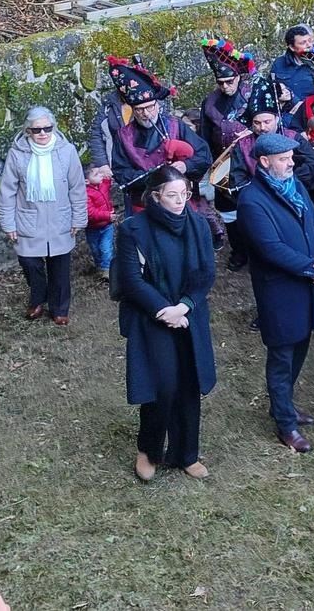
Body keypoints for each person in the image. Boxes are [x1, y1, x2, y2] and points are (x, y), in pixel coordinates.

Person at [116, 166, 216, 482]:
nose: (179, 201)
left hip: (189, 315)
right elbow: (131, 280)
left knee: (188, 383)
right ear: (156, 196)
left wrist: (184, 307)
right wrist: (165, 311)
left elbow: (206, 274)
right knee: (163, 385)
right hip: (154, 318)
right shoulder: (134, 230)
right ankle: (148, 450)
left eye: (183, 195)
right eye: (171, 196)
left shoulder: (198, 225)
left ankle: (186, 453)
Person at [237, 133, 314, 453]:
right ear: (264, 162)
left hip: (306, 284)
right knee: (282, 357)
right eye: (283, 158)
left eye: (291, 156)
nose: (292, 162)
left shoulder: (294, 184)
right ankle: (285, 424)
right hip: (280, 293)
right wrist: (311, 267)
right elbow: (269, 248)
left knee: (301, 347)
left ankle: (283, 406)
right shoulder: (251, 200)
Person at [0, 106, 87, 326]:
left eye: (47, 128)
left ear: (53, 127)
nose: (43, 133)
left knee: (60, 267)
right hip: (28, 219)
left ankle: (59, 308)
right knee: (29, 262)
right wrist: (8, 223)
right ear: (28, 131)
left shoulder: (66, 151)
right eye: (37, 130)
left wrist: (78, 219)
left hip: (60, 219)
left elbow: (77, 188)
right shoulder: (17, 153)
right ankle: (38, 297)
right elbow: (7, 191)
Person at [107, 57, 211, 215]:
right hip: (144, 206)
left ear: (157, 104)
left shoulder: (175, 125)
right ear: (133, 110)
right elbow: (121, 172)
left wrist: (185, 166)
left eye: (150, 107)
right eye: (140, 109)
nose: (146, 114)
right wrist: (151, 177)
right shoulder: (124, 136)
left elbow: (204, 155)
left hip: (180, 204)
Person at [199, 37, 257, 267]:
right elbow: (204, 134)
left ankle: (257, 250)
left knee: (253, 208)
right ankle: (239, 251)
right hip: (222, 163)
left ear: (239, 76)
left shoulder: (252, 95)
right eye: (220, 82)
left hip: (250, 161)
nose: (225, 86)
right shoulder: (210, 102)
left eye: (229, 81)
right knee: (228, 211)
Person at [221, 75, 314, 206]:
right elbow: (238, 179)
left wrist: (291, 182)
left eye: (267, 122)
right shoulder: (242, 146)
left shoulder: (292, 136)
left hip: (298, 194)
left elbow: (312, 162)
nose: (262, 127)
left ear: (277, 119)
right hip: (262, 201)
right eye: (257, 123)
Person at [270, 24, 314, 102]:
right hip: (287, 110)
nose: (309, 45)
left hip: (312, 110)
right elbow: (272, 88)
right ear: (292, 47)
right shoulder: (279, 63)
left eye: (310, 41)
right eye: (303, 43)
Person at [85, 164, 114, 281]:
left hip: (107, 225)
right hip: (92, 228)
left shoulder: (103, 185)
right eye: (96, 174)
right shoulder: (85, 194)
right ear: (87, 181)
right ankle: (100, 266)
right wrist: (108, 215)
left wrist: (106, 171)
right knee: (95, 249)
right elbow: (90, 213)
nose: (100, 176)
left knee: (106, 248)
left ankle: (107, 271)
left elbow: (108, 177)